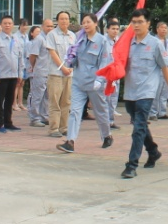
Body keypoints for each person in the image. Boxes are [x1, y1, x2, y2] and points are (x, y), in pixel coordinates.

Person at [121, 8, 168, 179]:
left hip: (147, 92)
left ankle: (132, 165)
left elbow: (164, 67)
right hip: (130, 91)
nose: (136, 25)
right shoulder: (127, 43)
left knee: (138, 128)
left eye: (140, 22)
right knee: (140, 125)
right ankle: (153, 151)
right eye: (134, 22)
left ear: (148, 23)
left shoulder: (155, 44)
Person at [56, 13, 114, 153]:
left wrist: (100, 79)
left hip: (94, 83)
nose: (85, 25)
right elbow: (75, 60)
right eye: (84, 22)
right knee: (75, 111)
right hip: (78, 82)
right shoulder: (79, 39)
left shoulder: (102, 41)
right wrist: (70, 58)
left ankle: (107, 135)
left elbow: (105, 62)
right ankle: (70, 141)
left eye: (88, 22)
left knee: (100, 111)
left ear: (95, 23)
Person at [0, 15, 26, 133]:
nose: (7, 25)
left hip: (13, 75)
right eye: (5, 23)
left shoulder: (16, 39)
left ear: (13, 25)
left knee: (10, 100)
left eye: (9, 23)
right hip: (1, 75)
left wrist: (20, 74)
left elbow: (20, 58)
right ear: (1, 25)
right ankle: (0, 124)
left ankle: (8, 122)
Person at [44, 11, 76, 138]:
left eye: (66, 19)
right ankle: (53, 128)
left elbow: (74, 53)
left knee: (66, 102)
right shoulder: (52, 35)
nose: (64, 21)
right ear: (57, 21)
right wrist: (62, 67)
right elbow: (53, 53)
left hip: (69, 74)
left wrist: (71, 67)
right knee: (55, 102)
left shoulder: (72, 35)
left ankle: (64, 127)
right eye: (62, 19)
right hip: (55, 73)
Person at [26, 23, 49, 127]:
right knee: (37, 96)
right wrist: (35, 66)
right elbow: (32, 56)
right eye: (48, 26)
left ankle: (44, 116)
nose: (50, 28)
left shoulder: (51, 38)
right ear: (43, 27)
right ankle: (34, 118)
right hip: (40, 71)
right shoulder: (39, 39)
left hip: (49, 71)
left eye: (52, 26)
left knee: (46, 96)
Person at [150, 22, 168, 121]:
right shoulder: (154, 41)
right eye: (162, 27)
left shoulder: (167, 41)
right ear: (157, 29)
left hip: (167, 70)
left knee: (164, 93)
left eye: (165, 28)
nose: (164, 29)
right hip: (157, 71)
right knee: (156, 92)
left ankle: (162, 112)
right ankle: (152, 113)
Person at [103, 18, 122, 129]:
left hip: (116, 74)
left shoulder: (119, 41)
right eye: (113, 29)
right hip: (106, 75)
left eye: (117, 29)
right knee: (106, 99)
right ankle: (105, 121)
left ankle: (111, 121)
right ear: (107, 29)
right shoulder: (103, 41)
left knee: (114, 98)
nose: (115, 31)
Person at [14, 18, 30, 112]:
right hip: (18, 63)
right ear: (19, 25)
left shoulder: (26, 36)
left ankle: (20, 103)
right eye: (23, 25)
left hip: (25, 62)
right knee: (17, 83)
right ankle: (14, 103)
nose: (25, 27)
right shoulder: (15, 36)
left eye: (26, 25)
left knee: (22, 84)